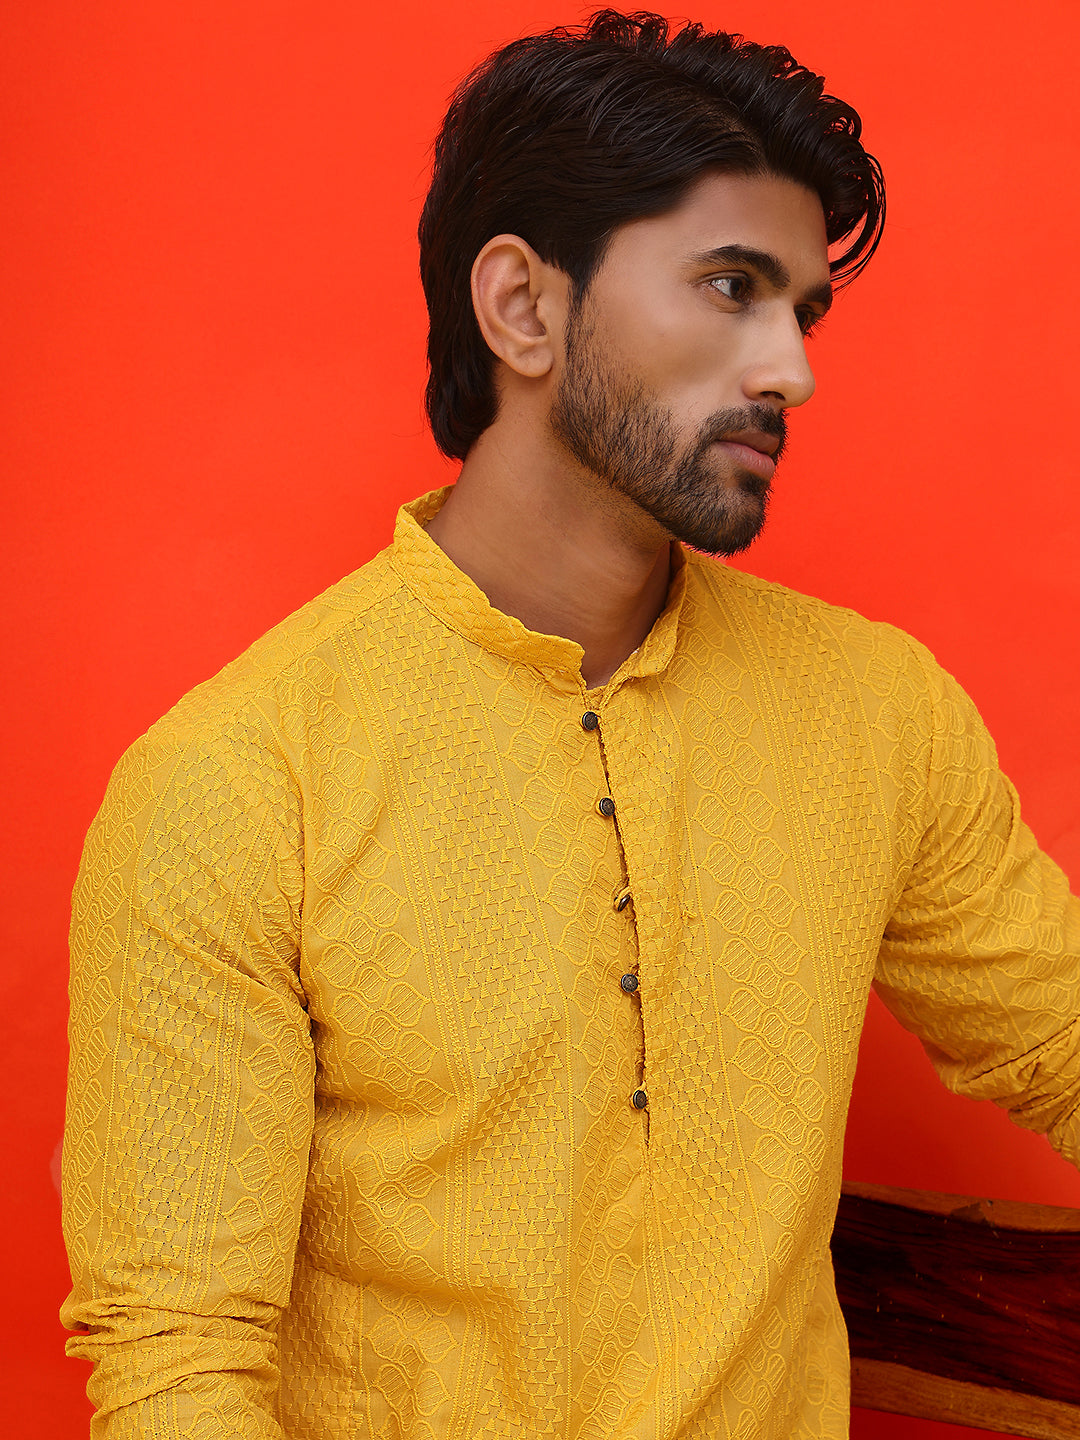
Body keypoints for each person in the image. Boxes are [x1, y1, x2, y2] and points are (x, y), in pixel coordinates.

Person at [60, 9, 1080, 1438]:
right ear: (523, 308)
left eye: (799, 311)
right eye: (730, 286)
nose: (791, 372)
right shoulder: (237, 782)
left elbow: (1062, 1041)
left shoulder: (876, 712)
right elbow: (177, 1368)